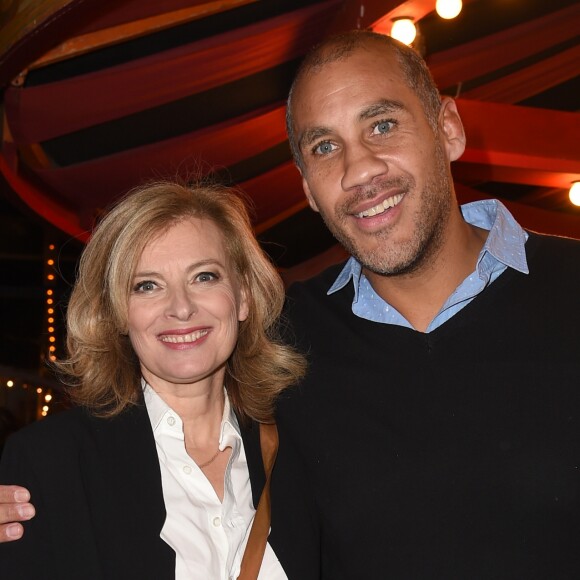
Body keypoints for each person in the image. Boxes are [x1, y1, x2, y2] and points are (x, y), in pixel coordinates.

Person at [2, 29, 580, 578]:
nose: (359, 169)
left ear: (448, 129)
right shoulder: (293, 340)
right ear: (306, 185)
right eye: (325, 147)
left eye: (382, 125)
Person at [0, 180, 310, 579]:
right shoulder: (52, 464)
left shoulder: (304, 446)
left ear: (244, 296)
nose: (180, 308)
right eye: (147, 286)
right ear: (116, 313)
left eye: (204, 277)